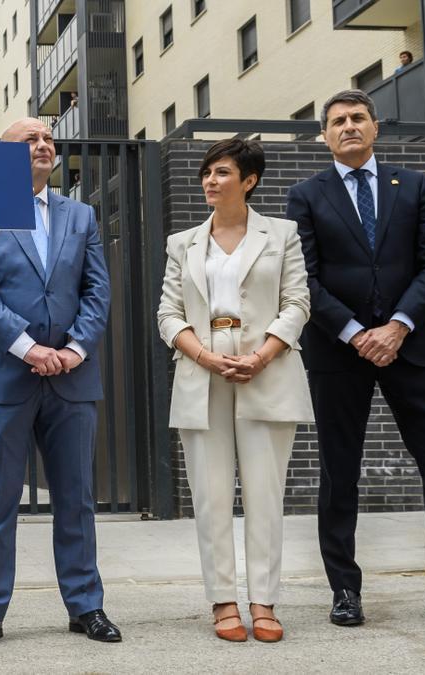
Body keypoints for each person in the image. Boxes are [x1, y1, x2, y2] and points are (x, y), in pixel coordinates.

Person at [286, 89, 425, 627]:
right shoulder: (305, 195)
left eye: (357, 118)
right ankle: (344, 591)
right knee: (338, 472)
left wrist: (397, 326)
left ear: (376, 127)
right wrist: (354, 332)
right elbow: (306, 276)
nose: (348, 126)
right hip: (337, 352)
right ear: (324, 135)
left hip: (412, 347)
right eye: (338, 121)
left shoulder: (413, 185)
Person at [0, 117, 117, 651]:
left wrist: (72, 349)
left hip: (72, 378)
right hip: (4, 377)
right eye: (30, 140)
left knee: (76, 497)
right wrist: (30, 347)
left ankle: (86, 605)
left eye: (48, 138)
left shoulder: (81, 215)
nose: (44, 145)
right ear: (4, 156)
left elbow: (97, 290)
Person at [157, 139, 313, 642]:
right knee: (211, 494)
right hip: (202, 374)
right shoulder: (182, 243)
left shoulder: (282, 234)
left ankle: (264, 601)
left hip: (265, 370)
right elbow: (168, 315)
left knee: (266, 494)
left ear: (249, 181)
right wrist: (202, 355)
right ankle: (223, 600)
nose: (209, 180)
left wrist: (262, 355)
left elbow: (297, 303)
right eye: (206, 172)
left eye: (221, 172)